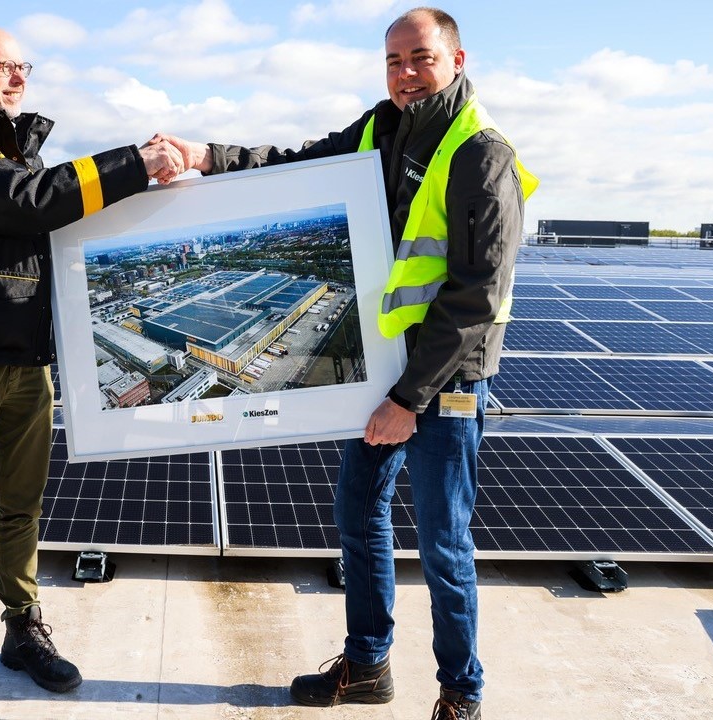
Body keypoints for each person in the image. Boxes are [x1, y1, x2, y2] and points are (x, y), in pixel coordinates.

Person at [153, 7, 536, 719]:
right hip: (382, 370)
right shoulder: (378, 130)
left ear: (457, 59)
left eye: (420, 57)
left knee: (445, 546)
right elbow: (295, 163)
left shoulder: (481, 154)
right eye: (393, 61)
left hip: (441, 384)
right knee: (359, 518)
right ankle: (366, 667)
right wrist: (208, 156)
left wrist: (408, 398)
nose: (405, 74)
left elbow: (477, 297)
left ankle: (462, 693)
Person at [0, 25, 183, 720]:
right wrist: (134, 161)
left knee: (22, 508)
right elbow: (28, 201)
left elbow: (60, 210)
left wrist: (156, 187)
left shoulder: (13, 148)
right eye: (6, 67)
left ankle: (20, 628)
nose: (19, 79)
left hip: (29, 365)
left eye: (23, 66)